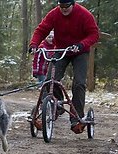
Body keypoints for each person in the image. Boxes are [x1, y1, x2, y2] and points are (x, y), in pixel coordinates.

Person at [29, 0, 99, 133]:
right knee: (50, 80)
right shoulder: (54, 14)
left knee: (78, 83)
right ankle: (54, 108)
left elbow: (94, 34)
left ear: (73, 4)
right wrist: (34, 44)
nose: (64, 9)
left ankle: (76, 119)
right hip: (61, 49)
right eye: (61, 6)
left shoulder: (84, 14)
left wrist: (82, 44)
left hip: (80, 51)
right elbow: (42, 29)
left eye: (67, 6)